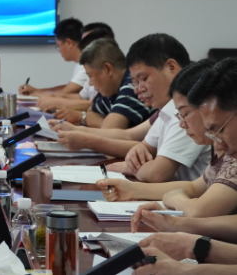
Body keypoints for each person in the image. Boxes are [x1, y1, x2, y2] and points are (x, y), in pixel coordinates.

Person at [57, 35, 210, 183]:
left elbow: (157, 174)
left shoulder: (188, 113)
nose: (137, 89)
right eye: (136, 82)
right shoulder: (168, 109)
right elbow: (138, 142)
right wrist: (138, 150)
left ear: (171, 67)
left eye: (144, 79)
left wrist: (128, 166)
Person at [98, 60, 237, 220]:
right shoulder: (225, 145)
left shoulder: (231, 149)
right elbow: (195, 187)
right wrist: (132, 189)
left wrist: (175, 199)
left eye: (185, 114)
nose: (181, 124)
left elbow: (198, 211)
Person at [56, 38, 153, 129]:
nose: (90, 83)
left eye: (91, 76)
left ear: (107, 69)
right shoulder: (110, 89)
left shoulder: (132, 87)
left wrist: (110, 128)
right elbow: (91, 112)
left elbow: (109, 130)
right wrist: (108, 126)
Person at [38, 25, 115, 112]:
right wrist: (54, 96)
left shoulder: (105, 71)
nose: (80, 47)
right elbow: (81, 97)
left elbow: (93, 104)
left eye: (86, 43)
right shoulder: (89, 66)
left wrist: (57, 102)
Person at [19, 18, 85, 96]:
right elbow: (68, 87)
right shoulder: (80, 64)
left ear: (69, 43)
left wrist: (35, 94)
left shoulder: (85, 65)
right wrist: (37, 91)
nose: (59, 51)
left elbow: (63, 94)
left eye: (58, 46)